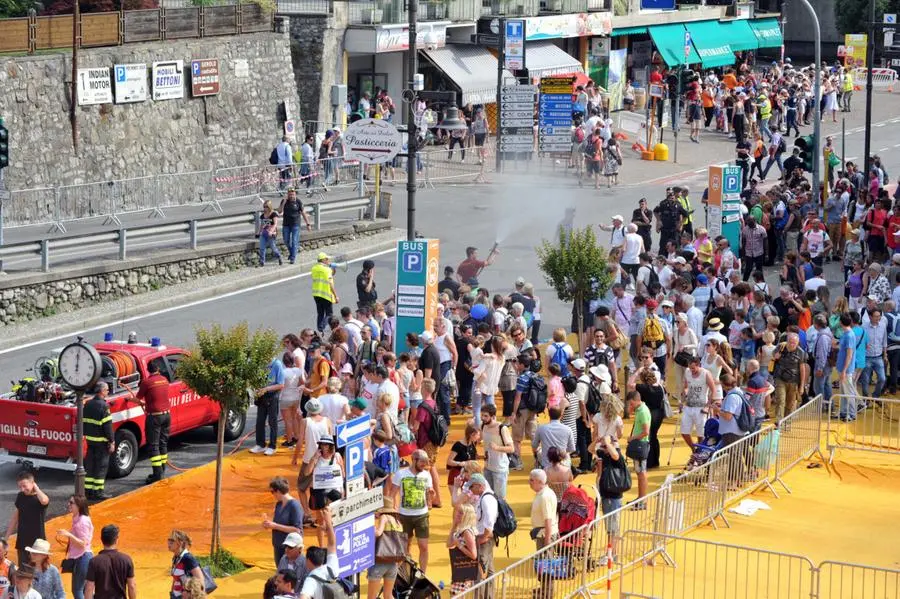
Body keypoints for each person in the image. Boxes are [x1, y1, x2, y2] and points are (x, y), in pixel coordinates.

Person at [391, 449, 433, 573]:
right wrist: (394, 510)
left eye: (426, 463)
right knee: (405, 546)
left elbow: (429, 498)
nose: (424, 465)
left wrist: (431, 496)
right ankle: (405, 571)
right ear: (413, 460)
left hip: (422, 515)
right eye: (422, 462)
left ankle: (423, 573)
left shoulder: (426, 475)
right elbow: (392, 494)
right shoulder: (401, 474)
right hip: (404, 515)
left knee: (424, 546)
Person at [304, 436, 344, 548]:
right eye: (322, 444)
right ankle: (321, 546)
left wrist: (343, 489)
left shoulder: (337, 456)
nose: (324, 447)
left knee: (334, 518)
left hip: (334, 489)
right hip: (319, 490)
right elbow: (307, 473)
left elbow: (342, 472)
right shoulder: (316, 457)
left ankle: (335, 544)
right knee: (321, 521)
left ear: (331, 446)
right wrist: (314, 459)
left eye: (326, 444)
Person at [6, 470, 49, 568]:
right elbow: (15, 518)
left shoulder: (39, 497)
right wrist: (6, 538)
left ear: (33, 483)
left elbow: (44, 501)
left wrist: (36, 488)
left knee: (38, 573)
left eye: (24, 486)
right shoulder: (20, 496)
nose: (22, 489)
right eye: (20, 486)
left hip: (38, 544)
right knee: (23, 572)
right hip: (22, 542)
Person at [82, 382, 115, 500]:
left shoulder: (88, 404)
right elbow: (108, 427)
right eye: (106, 390)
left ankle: (88, 491)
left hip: (90, 441)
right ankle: (98, 492)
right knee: (101, 467)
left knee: (90, 466)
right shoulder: (104, 406)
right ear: (101, 391)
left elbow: (84, 422)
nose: (108, 392)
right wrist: (111, 441)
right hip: (102, 443)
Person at [84, 524, 136, 599]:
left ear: (101, 539)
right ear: (116, 539)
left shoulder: (94, 562)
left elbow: (89, 588)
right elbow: (132, 586)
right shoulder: (126, 559)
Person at [57, 495, 93, 599]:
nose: (69, 504)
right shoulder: (77, 518)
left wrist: (68, 535)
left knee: (77, 590)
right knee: (85, 589)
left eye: (71, 503)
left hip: (82, 557)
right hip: (81, 557)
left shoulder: (82, 522)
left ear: (79, 506)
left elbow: (83, 543)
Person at [298, 508, 339, 599]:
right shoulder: (331, 568)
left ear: (308, 560)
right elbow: (332, 544)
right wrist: (328, 522)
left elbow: (303, 597)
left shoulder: (311, 580)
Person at [367, 498, 404, 599]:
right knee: (388, 595)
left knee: (371, 597)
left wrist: (370, 530)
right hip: (393, 564)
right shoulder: (398, 523)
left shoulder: (384, 517)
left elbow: (378, 533)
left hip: (380, 561)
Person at [468, 473, 498, 595]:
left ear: (480, 486)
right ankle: (488, 596)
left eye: (472, 487)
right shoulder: (483, 496)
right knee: (488, 569)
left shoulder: (486, 499)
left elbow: (489, 522)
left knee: (480, 571)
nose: (470, 490)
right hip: (485, 537)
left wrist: (483, 538)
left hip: (484, 539)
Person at [265, 477, 303, 567]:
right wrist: (269, 525)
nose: (272, 495)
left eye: (272, 492)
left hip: (290, 547)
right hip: (278, 545)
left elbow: (297, 530)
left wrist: (275, 526)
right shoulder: (279, 504)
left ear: (278, 491)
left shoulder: (294, 506)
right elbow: (277, 523)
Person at [252, 356, 285, 456]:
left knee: (272, 421)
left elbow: (281, 384)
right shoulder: (262, 364)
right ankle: (260, 444)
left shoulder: (277, 365)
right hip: (262, 395)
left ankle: (272, 446)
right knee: (260, 421)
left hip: (272, 395)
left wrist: (266, 389)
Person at [771, 332, 809, 420]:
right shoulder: (781, 347)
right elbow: (773, 354)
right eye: (790, 342)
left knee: (790, 403)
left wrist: (802, 386)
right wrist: (775, 356)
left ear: (797, 343)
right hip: (780, 378)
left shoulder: (801, 352)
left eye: (794, 343)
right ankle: (779, 422)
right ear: (787, 341)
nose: (792, 345)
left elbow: (802, 369)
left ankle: (787, 422)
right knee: (781, 400)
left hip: (793, 380)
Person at [481, 403, 513, 500]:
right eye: (482, 415)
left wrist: (497, 448)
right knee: (488, 496)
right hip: (487, 467)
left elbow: (511, 448)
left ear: (493, 416)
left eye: (486, 416)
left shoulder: (502, 428)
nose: (483, 418)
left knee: (499, 498)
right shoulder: (483, 426)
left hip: (500, 469)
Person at [446, 503, 479, 595]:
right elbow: (448, 544)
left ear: (466, 516)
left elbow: (474, 555)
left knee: (455, 595)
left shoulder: (467, 532)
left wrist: (459, 545)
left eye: (461, 513)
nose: (457, 514)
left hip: (464, 569)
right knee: (455, 594)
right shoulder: (461, 529)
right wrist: (454, 526)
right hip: (459, 568)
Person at [625, 390, 650, 504]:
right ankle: (640, 498)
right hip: (640, 444)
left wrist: (632, 438)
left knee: (641, 472)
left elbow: (646, 432)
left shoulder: (643, 412)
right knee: (639, 472)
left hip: (641, 444)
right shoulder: (639, 410)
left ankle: (642, 500)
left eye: (631, 403)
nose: (630, 406)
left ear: (636, 400)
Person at [278, 188, 312, 265]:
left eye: (292, 194)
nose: (291, 196)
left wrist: (308, 224)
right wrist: (283, 203)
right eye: (290, 194)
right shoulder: (284, 201)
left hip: (296, 224)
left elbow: (303, 213)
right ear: (287, 194)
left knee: (294, 241)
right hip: (286, 224)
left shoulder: (298, 202)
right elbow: (279, 211)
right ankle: (292, 253)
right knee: (286, 240)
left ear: (295, 194)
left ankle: (292, 258)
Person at [166, 530, 202, 599]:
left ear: (180, 543)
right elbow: (175, 579)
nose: (169, 542)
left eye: (172, 540)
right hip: (176, 596)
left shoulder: (188, 558)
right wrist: (172, 593)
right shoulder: (176, 558)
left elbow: (200, 580)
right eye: (168, 540)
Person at [837, 313, 859, 421]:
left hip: (846, 369)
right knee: (843, 391)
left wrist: (844, 370)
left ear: (841, 322)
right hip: (843, 368)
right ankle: (844, 411)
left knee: (848, 392)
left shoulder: (849, 335)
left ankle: (851, 413)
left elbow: (849, 355)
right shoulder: (846, 334)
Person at [311, 252, 339, 333]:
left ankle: (320, 329)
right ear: (323, 260)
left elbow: (332, 273)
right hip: (326, 294)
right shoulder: (326, 269)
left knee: (320, 313)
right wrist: (336, 296)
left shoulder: (314, 268)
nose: (328, 261)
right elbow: (330, 283)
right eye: (327, 259)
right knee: (329, 314)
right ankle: (322, 326)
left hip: (316, 294)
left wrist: (332, 269)